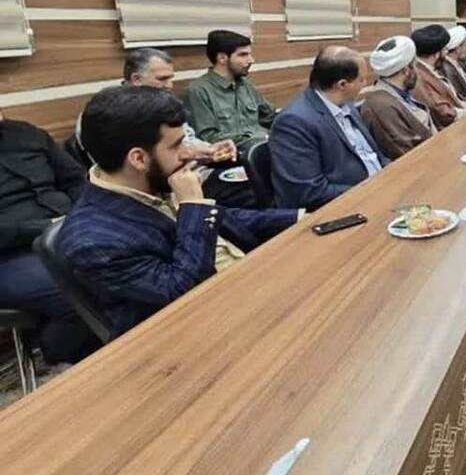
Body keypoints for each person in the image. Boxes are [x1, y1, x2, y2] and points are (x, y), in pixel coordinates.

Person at [57, 87, 299, 337]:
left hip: (251, 283)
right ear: (139, 159)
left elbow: (226, 219)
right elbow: (184, 295)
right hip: (207, 327)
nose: (187, 153)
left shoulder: (148, 182)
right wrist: (193, 206)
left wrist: (301, 217)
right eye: (176, 145)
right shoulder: (94, 242)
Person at [0, 111, 96, 363]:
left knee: (128, 260)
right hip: (10, 254)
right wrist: (44, 226)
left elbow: (75, 179)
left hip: (69, 228)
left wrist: (82, 212)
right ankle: (61, 354)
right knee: (75, 292)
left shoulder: (26, 133)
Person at [110, 48, 254, 208]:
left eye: (170, 78)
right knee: (248, 193)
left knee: (255, 176)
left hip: (196, 171)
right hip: (170, 187)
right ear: (136, 79)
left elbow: (187, 139)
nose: (169, 85)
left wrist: (211, 150)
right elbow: (149, 170)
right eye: (162, 79)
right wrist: (195, 155)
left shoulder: (163, 102)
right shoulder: (117, 114)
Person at [269, 47, 388, 210]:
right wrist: (370, 191)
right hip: (348, 206)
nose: (365, 84)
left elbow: (375, 156)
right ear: (342, 85)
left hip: (379, 190)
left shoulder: (346, 105)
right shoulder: (294, 123)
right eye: (361, 79)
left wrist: (393, 175)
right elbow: (308, 192)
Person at [185, 30, 276, 153]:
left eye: (249, 54)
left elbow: (270, 117)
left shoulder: (245, 85)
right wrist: (256, 139)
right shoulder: (199, 91)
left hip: (265, 147)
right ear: (222, 58)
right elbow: (208, 137)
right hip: (236, 155)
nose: (251, 60)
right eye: (243, 55)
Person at [361, 36, 436, 160]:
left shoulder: (401, 92)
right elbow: (408, 155)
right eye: (415, 66)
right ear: (406, 70)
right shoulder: (382, 107)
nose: (417, 71)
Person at [410, 24, 465, 128]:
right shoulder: (419, 75)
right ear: (436, 54)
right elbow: (443, 113)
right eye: (445, 50)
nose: (447, 53)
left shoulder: (432, 68)